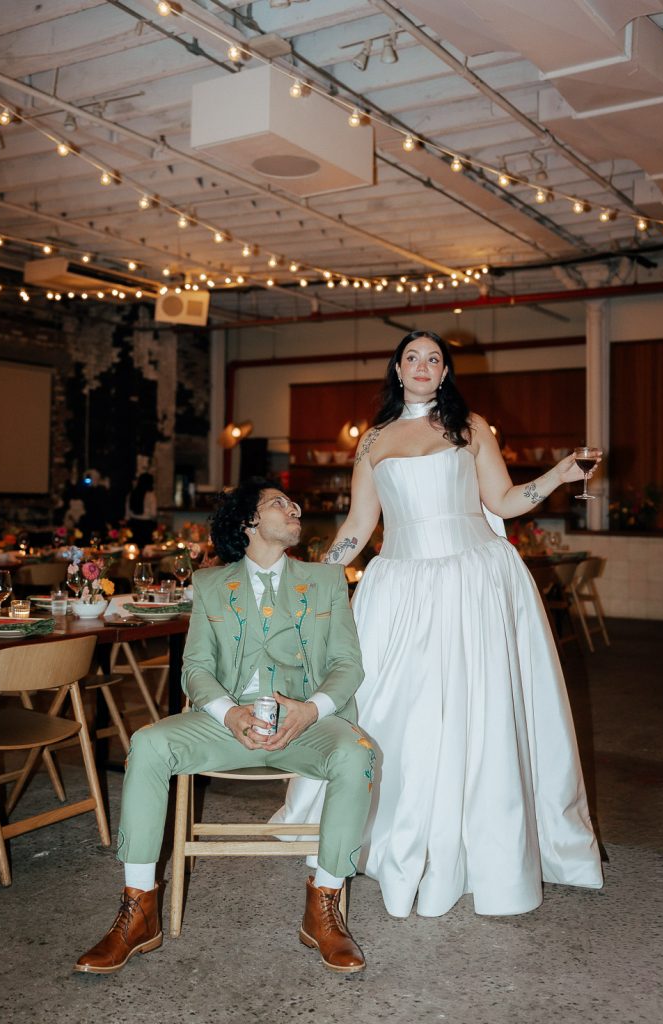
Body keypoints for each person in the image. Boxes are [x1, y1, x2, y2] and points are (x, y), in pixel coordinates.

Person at [274, 330, 603, 920]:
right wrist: (317, 575)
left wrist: (558, 475)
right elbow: (359, 524)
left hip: (472, 578)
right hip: (400, 584)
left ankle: (478, 844)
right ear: (398, 370)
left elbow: (503, 502)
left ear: (445, 372)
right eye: (412, 357)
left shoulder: (470, 428)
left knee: (478, 707)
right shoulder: (373, 440)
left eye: (434, 358)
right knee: (393, 703)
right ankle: (383, 830)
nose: (423, 365)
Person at [75, 478, 374, 975]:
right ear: (249, 522)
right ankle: (138, 909)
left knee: (357, 753)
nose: (295, 508)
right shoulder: (212, 584)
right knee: (148, 744)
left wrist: (310, 710)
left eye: (293, 501)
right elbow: (195, 667)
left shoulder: (326, 580)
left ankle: (323, 906)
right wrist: (229, 714)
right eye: (280, 502)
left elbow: (348, 665)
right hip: (226, 723)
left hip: (305, 725)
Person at [125, 472, 158, 548]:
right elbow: (153, 513)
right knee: (147, 548)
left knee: (134, 547)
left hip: (133, 524)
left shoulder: (132, 494)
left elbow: (127, 513)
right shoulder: (151, 495)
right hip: (146, 525)